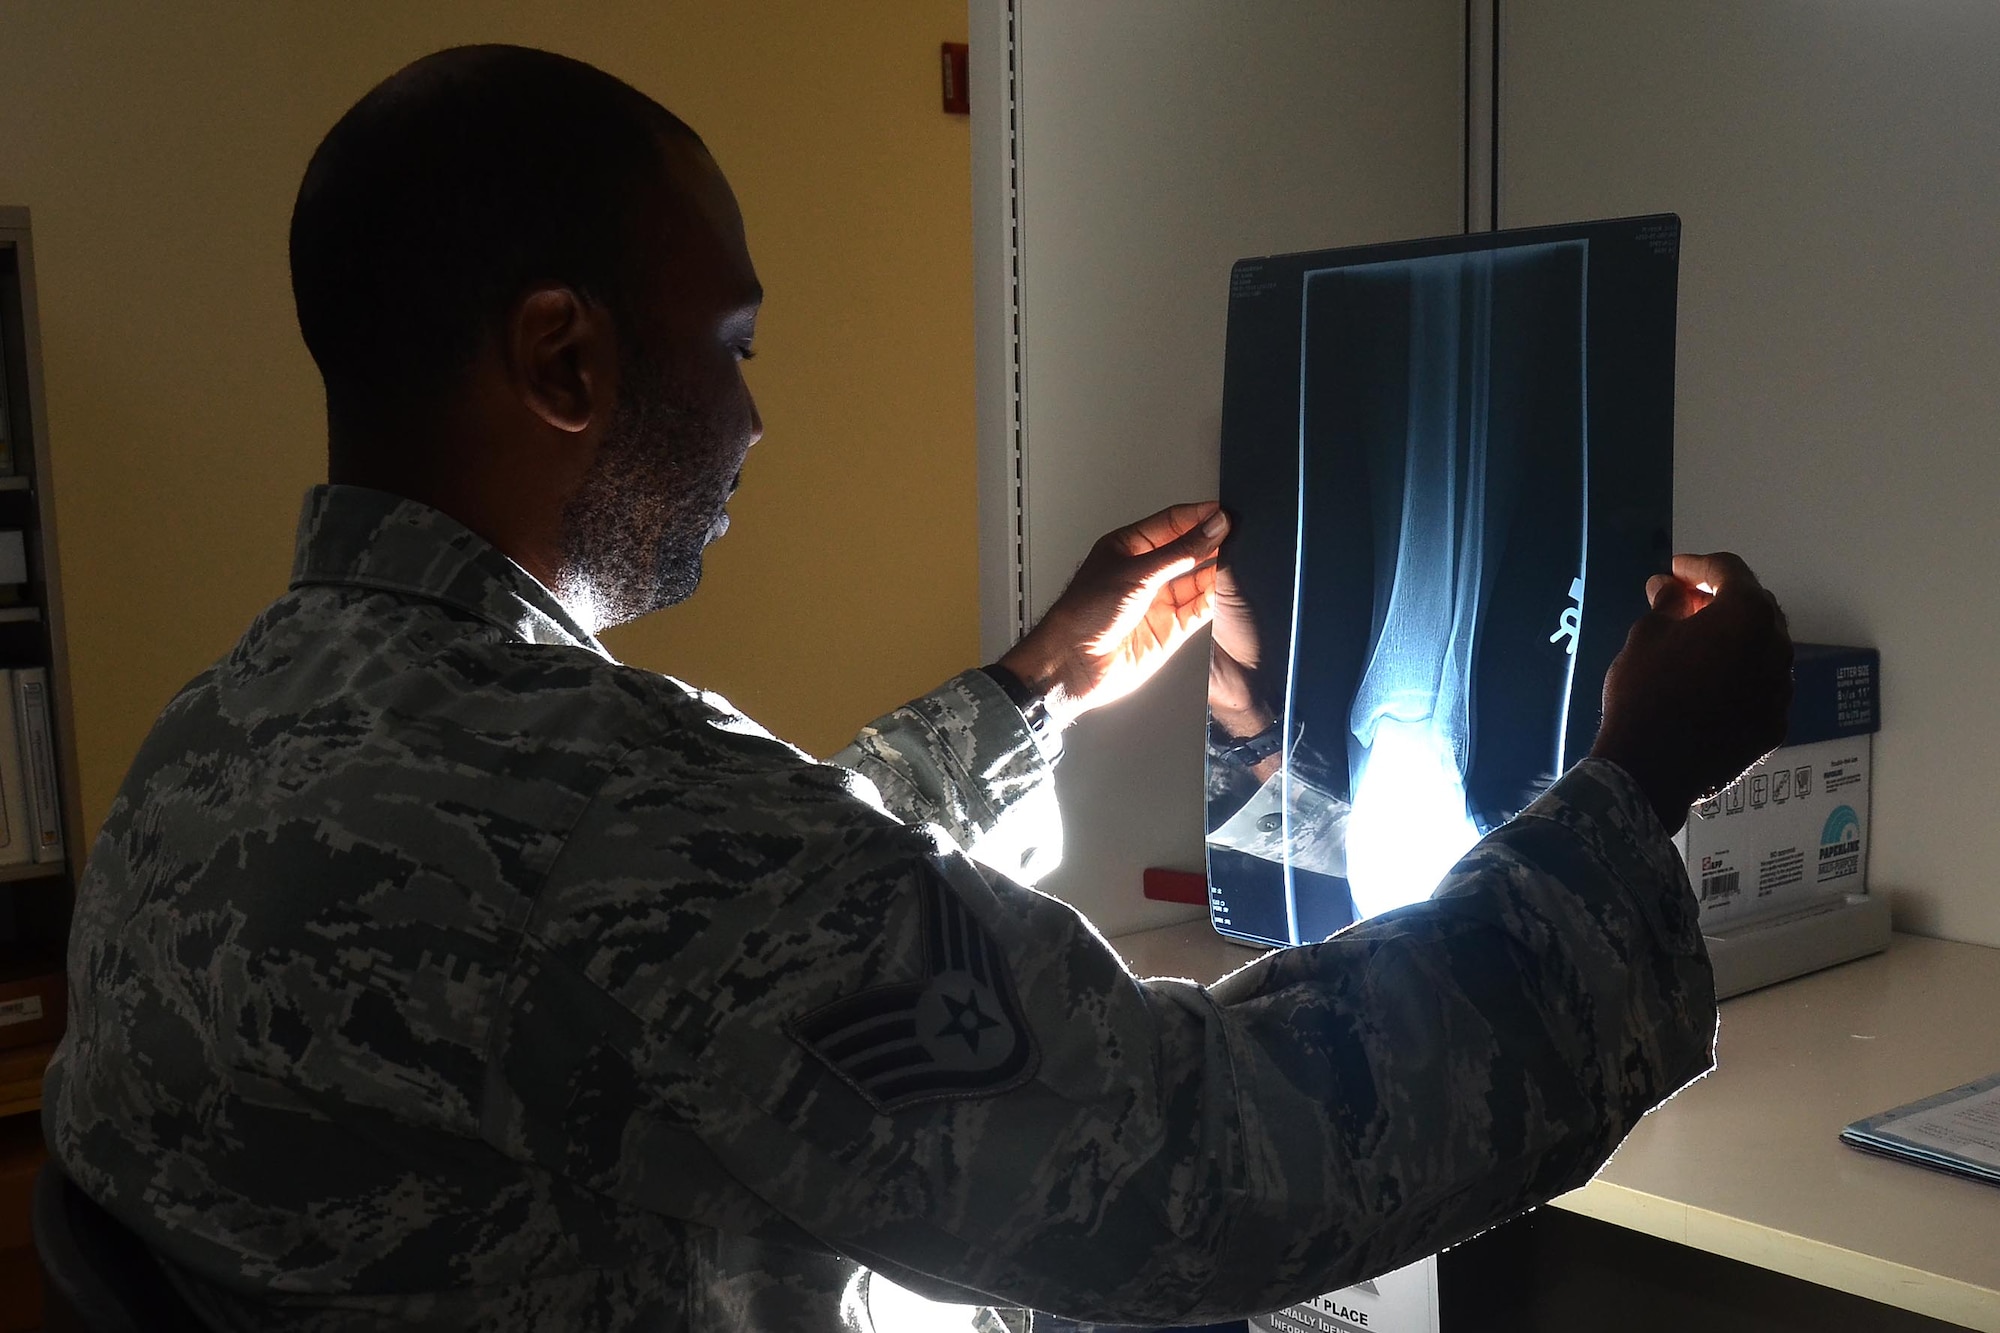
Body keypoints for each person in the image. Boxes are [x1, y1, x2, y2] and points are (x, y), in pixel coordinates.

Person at [43, 44, 1792, 1333]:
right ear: (563, 357)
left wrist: (1037, 690)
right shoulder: (596, 814)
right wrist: (1634, 790)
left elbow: (743, 925)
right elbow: (1195, 1157)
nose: (749, 420)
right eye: (726, 348)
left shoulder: (224, 740)